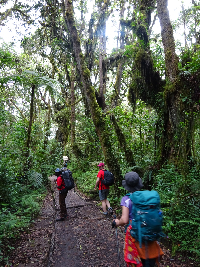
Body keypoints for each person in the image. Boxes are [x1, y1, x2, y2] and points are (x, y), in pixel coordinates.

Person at [112, 172, 164, 267]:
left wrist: (116, 222)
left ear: (126, 185)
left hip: (134, 235)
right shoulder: (147, 199)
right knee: (150, 260)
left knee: (135, 262)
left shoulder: (126, 199)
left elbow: (124, 220)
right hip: (149, 232)